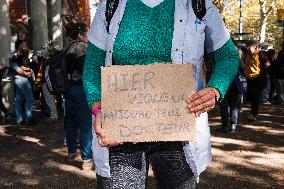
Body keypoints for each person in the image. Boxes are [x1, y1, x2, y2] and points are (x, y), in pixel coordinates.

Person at [83, 0, 239, 188]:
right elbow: (92, 67)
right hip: (120, 131)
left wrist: (215, 89)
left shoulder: (198, 5)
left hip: (179, 131)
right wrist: (97, 107)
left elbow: (228, 56)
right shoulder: (110, 6)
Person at [64, 23, 93, 170]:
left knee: (71, 122)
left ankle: (71, 152)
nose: (89, 36)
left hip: (68, 89)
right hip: (80, 89)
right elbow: (84, 69)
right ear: (81, 34)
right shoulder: (82, 47)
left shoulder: (67, 47)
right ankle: (87, 159)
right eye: (88, 33)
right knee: (86, 125)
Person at [9, 39, 34, 126]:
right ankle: (28, 118)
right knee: (29, 98)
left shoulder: (22, 54)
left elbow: (24, 66)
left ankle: (20, 120)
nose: (26, 45)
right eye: (24, 44)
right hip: (21, 79)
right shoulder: (14, 55)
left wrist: (28, 71)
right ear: (19, 45)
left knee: (19, 99)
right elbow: (15, 67)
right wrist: (26, 73)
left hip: (21, 78)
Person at [244, 40, 270, 121]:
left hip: (257, 79)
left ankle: (254, 114)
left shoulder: (260, 54)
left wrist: (262, 78)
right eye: (246, 46)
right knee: (252, 96)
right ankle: (253, 112)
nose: (247, 48)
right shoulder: (247, 54)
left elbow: (267, 66)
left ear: (255, 47)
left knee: (255, 97)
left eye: (249, 46)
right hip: (249, 79)